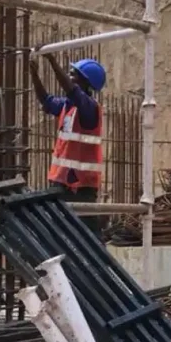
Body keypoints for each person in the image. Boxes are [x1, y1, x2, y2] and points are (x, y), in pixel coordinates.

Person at [29, 54, 106, 239]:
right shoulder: (67, 106)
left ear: (86, 83)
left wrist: (53, 63)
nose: (70, 77)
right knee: (57, 234)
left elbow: (71, 90)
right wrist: (34, 73)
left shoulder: (89, 108)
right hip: (62, 182)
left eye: (74, 75)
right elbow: (46, 101)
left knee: (86, 237)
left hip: (80, 186)